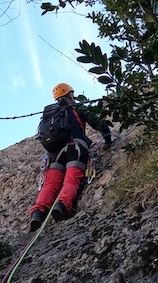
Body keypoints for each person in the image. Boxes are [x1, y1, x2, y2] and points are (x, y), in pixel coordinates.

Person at [28, 83, 112, 231]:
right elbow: (98, 123)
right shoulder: (76, 107)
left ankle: (37, 212)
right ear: (69, 94)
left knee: (51, 184)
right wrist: (107, 139)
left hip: (54, 154)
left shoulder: (50, 113)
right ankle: (62, 205)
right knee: (71, 179)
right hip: (75, 148)